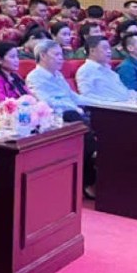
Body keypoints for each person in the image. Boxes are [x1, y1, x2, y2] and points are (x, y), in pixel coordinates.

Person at [26, 40, 98, 196]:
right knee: (76, 119)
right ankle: (88, 179)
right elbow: (46, 101)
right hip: (55, 116)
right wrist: (74, 107)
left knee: (101, 117)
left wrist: (101, 103)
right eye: (57, 54)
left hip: (74, 112)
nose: (61, 58)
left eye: (61, 54)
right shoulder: (35, 77)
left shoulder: (57, 75)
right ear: (43, 55)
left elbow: (73, 96)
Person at [76, 38, 134, 103]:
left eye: (109, 48)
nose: (109, 51)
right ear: (92, 51)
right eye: (105, 48)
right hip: (111, 106)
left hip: (128, 103)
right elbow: (87, 96)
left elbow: (123, 91)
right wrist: (112, 102)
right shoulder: (85, 70)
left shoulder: (108, 69)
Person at [0, 41, 31, 106]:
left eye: (17, 56)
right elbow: (2, 104)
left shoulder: (15, 75)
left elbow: (29, 94)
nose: (17, 60)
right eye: (12, 57)